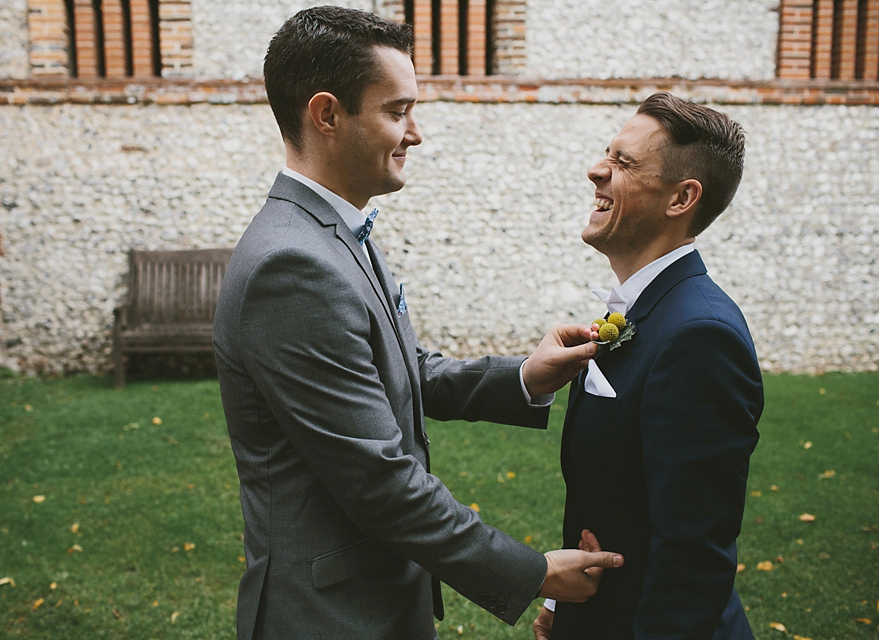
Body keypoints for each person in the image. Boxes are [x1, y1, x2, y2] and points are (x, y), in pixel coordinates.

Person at [212, 6, 623, 639]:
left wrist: (524, 377)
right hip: (329, 617)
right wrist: (532, 570)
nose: (416, 134)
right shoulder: (291, 265)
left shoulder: (334, 232)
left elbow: (403, 371)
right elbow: (379, 481)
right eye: (397, 111)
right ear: (327, 115)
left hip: (373, 597)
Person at [534, 92, 764, 640]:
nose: (596, 170)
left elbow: (694, 555)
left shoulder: (699, 335)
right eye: (606, 154)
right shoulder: (645, 310)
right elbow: (616, 497)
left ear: (682, 197)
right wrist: (571, 610)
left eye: (623, 163)